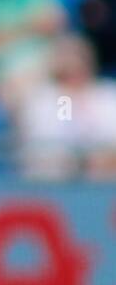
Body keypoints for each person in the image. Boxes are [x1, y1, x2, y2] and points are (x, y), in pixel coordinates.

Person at [17, 34, 116, 180]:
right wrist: (79, 159)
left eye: (78, 59)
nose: (73, 67)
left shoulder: (106, 93)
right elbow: (46, 141)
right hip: (56, 179)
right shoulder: (44, 98)